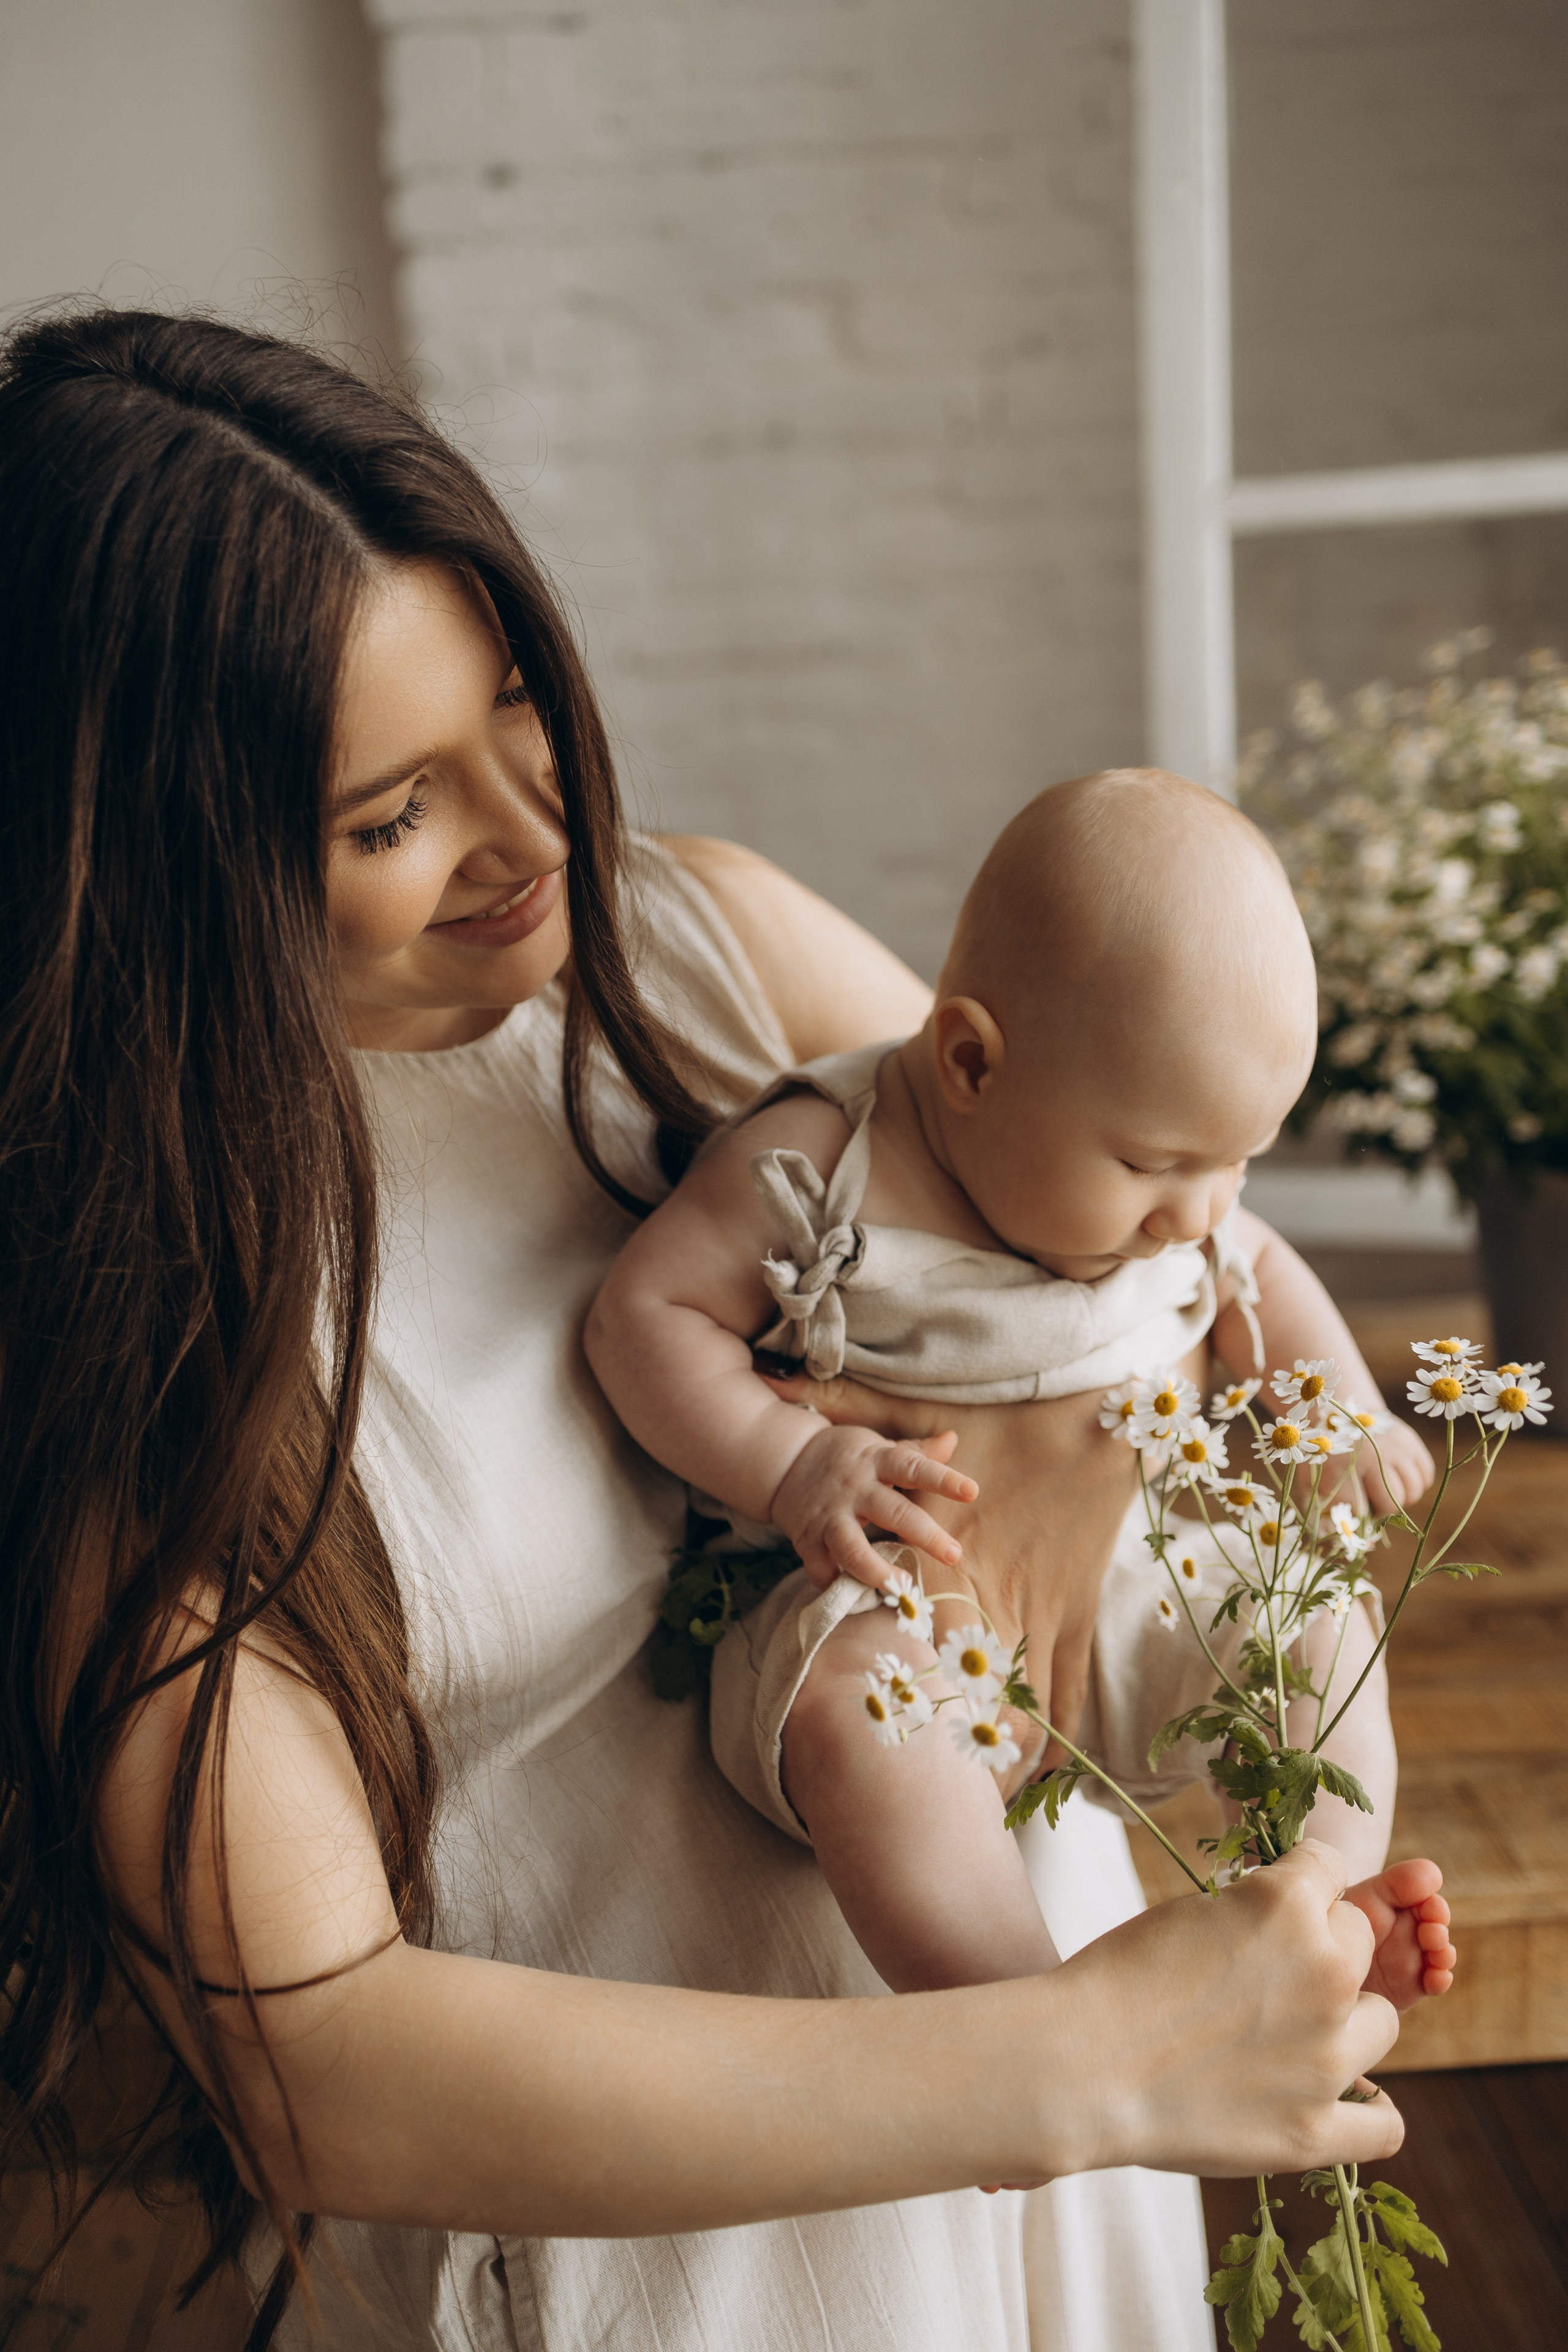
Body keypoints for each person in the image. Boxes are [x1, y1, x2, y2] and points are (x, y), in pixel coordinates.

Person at [0, 308, 1405, 2352]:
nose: (534, 833)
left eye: (521, 711)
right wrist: (1069, 2062)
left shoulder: (701, 942)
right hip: (692, 2271)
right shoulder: (140, 1319)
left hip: (1066, 2146)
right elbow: (319, 2067)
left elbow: (1140, 1230)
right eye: (392, 814)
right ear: (141, 869)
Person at [586, 771, 1457, 2006]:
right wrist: (784, 1460)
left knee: (1315, 1620)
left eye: (1238, 1160)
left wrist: (1341, 1412)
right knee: (856, 1728)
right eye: (1154, 1164)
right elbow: (642, 1316)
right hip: (899, 1624)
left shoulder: (1183, 1199)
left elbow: (1255, 1264)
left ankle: (1313, 1904)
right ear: (968, 1063)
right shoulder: (818, 1167)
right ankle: (1010, 2016)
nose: (1198, 1213)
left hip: (1126, 1597)